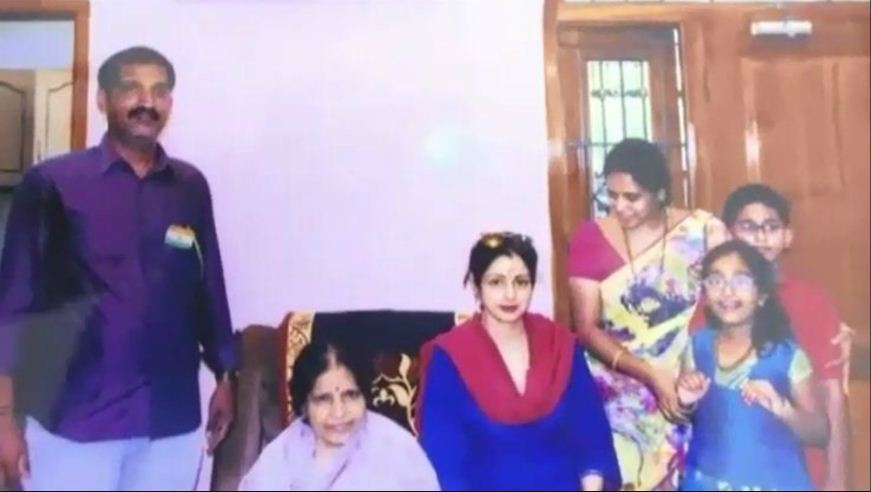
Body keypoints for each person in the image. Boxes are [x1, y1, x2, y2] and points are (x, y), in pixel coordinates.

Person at [0, 46, 238, 490]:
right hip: (74, 422)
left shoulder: (189, 187)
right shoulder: (51, 183)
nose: (147, 101)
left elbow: (208, 287)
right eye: (132, 88)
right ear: (102, 99)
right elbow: (13, 304)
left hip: (170, 421)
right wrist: (4, 420)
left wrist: (226, 375)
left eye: (159, 91)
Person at [567, 138, 726, 490]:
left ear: (660, 193)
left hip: (688, 384)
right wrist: (651, 375)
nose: (620, 207)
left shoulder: (702, 232)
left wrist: (681, 378)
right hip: (616, 396)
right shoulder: (590, 238)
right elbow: (587, 329)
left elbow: (728, 304)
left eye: (632, 197)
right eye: (612, 196)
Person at [417, 232, 620, 491]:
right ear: (476, 286)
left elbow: (592, 440)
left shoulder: (559, 345)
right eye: (496, 282)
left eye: (521, 282)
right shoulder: (450, 357)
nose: (510, 294)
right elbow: (445, 463)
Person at [688, 183, 851, 490]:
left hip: (797, 467)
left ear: (788, 236)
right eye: (749, 227)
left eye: (771, 227)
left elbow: (832, 394)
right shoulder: (714, 305)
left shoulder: (811, 300)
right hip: (724, 467)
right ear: (729, 233)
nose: (761, 237)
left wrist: (838, 482)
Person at [677, 240, 828, 490]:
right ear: (705, 294)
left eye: (740, 281)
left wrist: (782, 408)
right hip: (704, 481)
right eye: (716, 281)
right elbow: (687, 417)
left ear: (762, 295)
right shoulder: (697, 346)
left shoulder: (787, 356)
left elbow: (820, 433)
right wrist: (686, 402)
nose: (727, 291)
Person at [239, 341, 440, 491]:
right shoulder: (283, 454)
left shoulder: (397, 449)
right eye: (323, 399)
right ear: (304, 405)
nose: (339, 412)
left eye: (350, 395)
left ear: (365, 396)